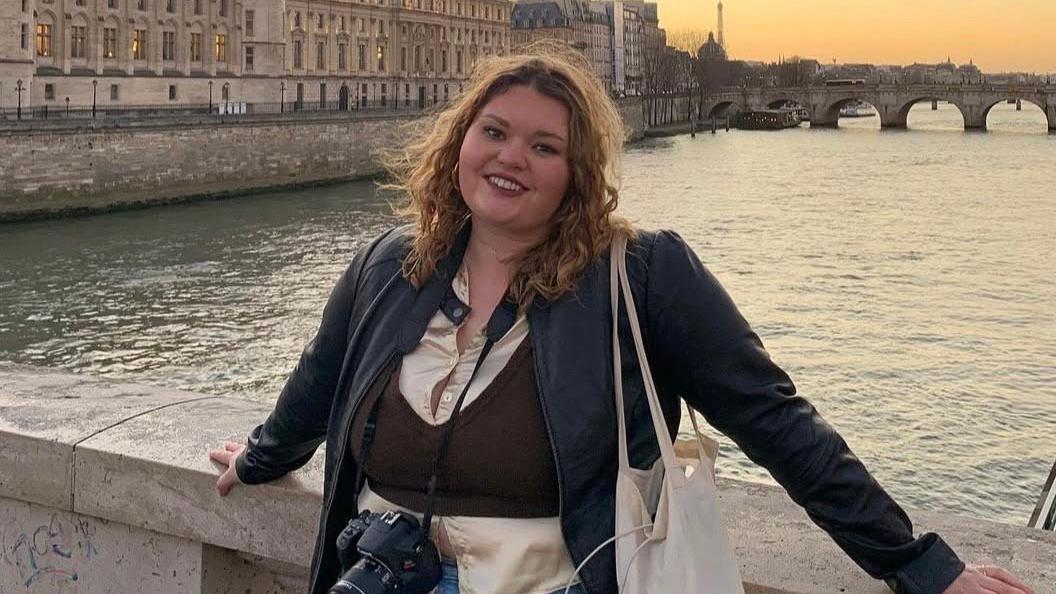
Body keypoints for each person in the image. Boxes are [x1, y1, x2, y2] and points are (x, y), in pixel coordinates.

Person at [209, 46, 1035, 594]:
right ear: (457, 145)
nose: (509, 158)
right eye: (493, 132)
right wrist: (259, 458)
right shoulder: (390, 265)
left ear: (579, 174)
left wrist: (921, 567)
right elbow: (320, 386)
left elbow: (775, 422)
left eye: (544, 147)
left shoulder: (640, 275)